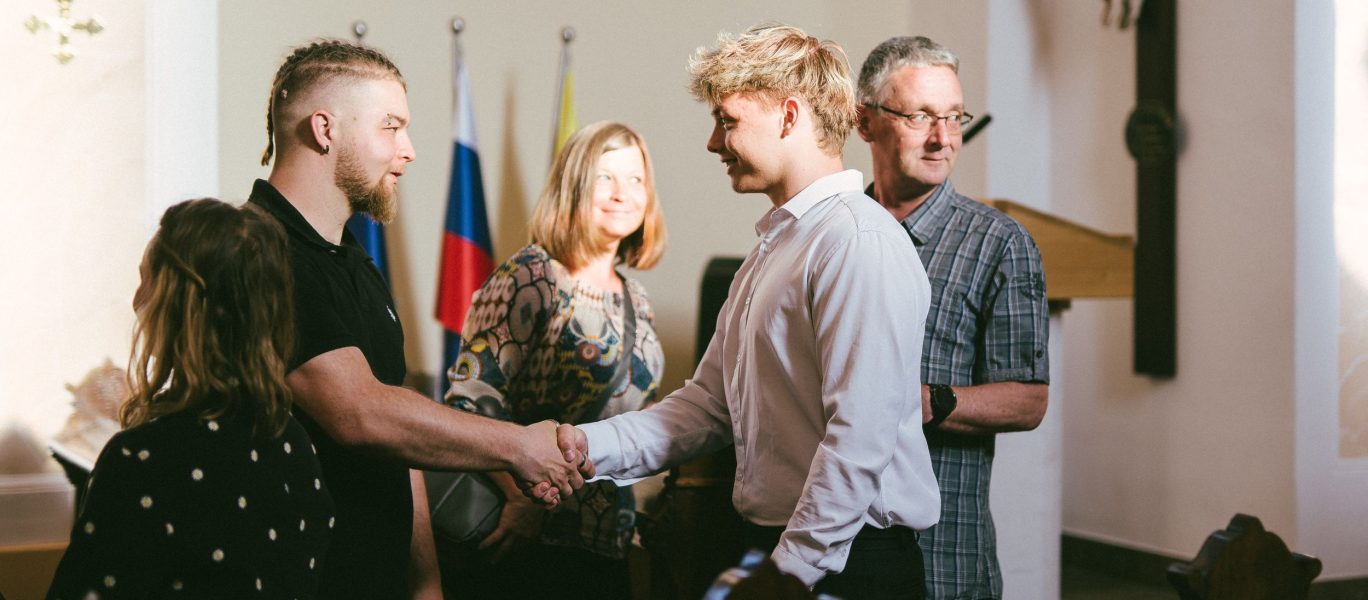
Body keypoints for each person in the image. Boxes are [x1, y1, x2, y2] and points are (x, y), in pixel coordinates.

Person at [558, 24, 940, 600]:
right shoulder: (774, 250)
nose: (714, 142)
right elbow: (707, 407)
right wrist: (583, 447)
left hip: (848, 562)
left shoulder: (858, 241)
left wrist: (786, 575)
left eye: (727, 120)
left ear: (789, 116)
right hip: (784, 550)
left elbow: (858, 441)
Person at [249, 39, 590, 600]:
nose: (407, 151)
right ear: (324, 129)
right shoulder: (255, 250)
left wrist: (425, 581)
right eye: (390, 127)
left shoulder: (354, 261)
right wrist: (518, 446)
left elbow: (396, 438)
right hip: (300, 580)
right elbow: (360, 413)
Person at [47, 199, 334, 599]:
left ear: (179, 304)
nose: (136, 299)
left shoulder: (143, 460)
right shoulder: (296, 447)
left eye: (146, 279)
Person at [855, 36, 1051, 600]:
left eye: (954, 117)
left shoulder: (1000, 243)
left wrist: (921, 401)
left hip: (942, 556)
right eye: (920, 117)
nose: (942, 138)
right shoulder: (836, 235)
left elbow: (1029, 401)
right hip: (833, 546)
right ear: (865, 122)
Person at [440, 121, 668, 599]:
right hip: (528, 541)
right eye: (605, 177)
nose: (622, 193)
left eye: (636, 179)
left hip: (607, 544)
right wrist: (520, 500)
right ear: (574, 186)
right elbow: (468, 402)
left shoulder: (637, 299)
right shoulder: (534, 274)